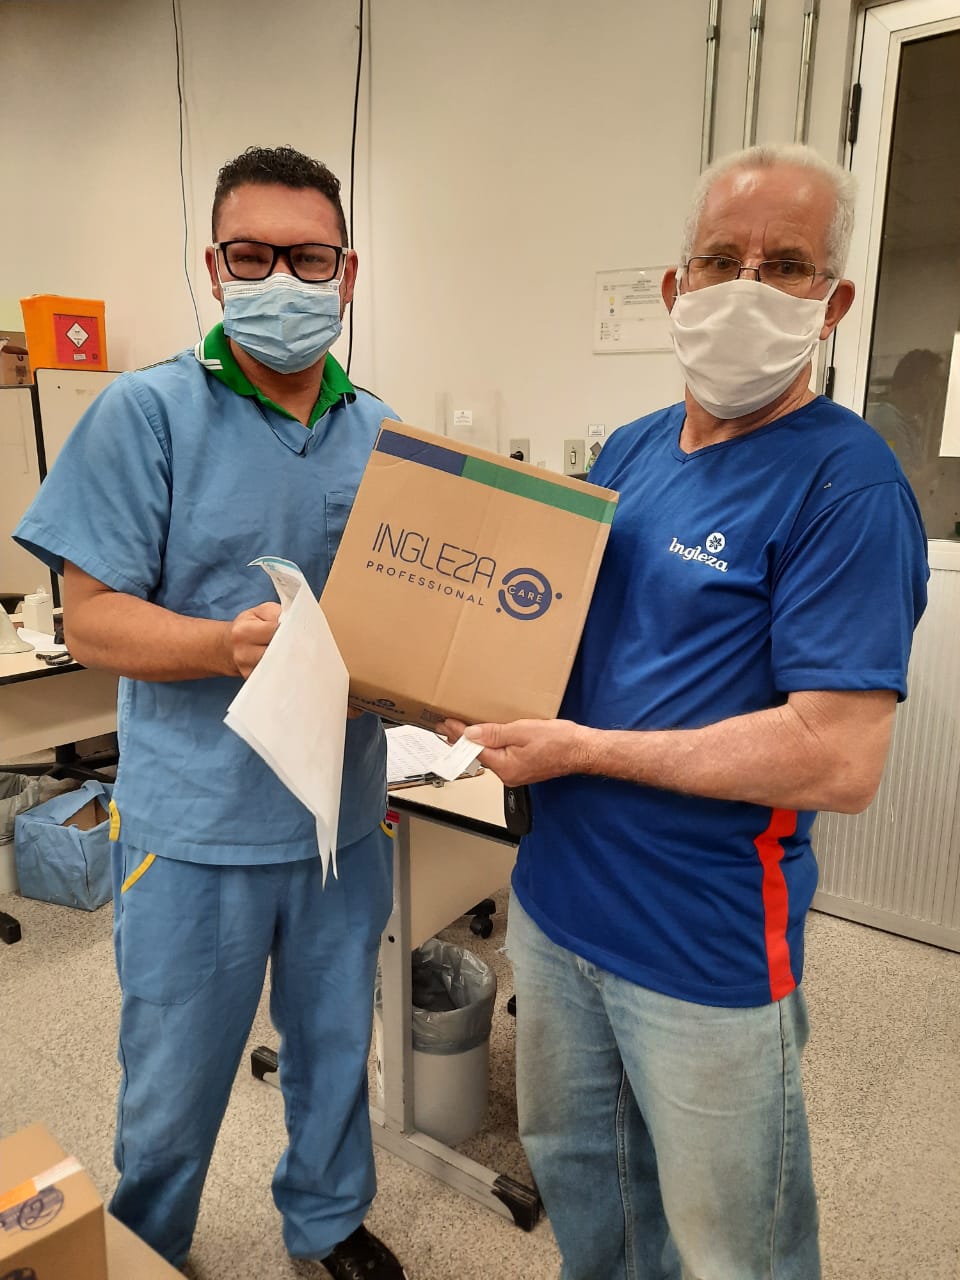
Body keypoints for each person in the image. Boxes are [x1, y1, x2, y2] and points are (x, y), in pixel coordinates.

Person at [445, 143, 929, 1280]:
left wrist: (584, 747)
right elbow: (554, 632)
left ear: (832, 303)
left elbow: (837, 757)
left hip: (702, 938)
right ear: (677, 286)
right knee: (589, 1195)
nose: (746, 286)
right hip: (557, 906)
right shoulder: (628, 450)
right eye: (721, 258)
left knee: (734, 1247)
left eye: (786, 264)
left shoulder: (848, 486)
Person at [14, 146, 407, 1279]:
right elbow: (93, 623)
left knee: (335, 1049)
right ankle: (149, 1244)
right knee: (175, 1073)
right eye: (253, 254)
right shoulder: (146, 413)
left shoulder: (382, 431)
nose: (282, 277)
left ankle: (327, 1220)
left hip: (340, 819)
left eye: (310, 257)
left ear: (347, 273)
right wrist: (220, 644)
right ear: (214, 265)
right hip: (196, 827)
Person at [867, 346, 945, 486]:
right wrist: (942, 465)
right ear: (924, 382)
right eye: (938, 383)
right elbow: (906, 486)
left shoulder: (905, 421)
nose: (939, 392)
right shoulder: (889, 422)